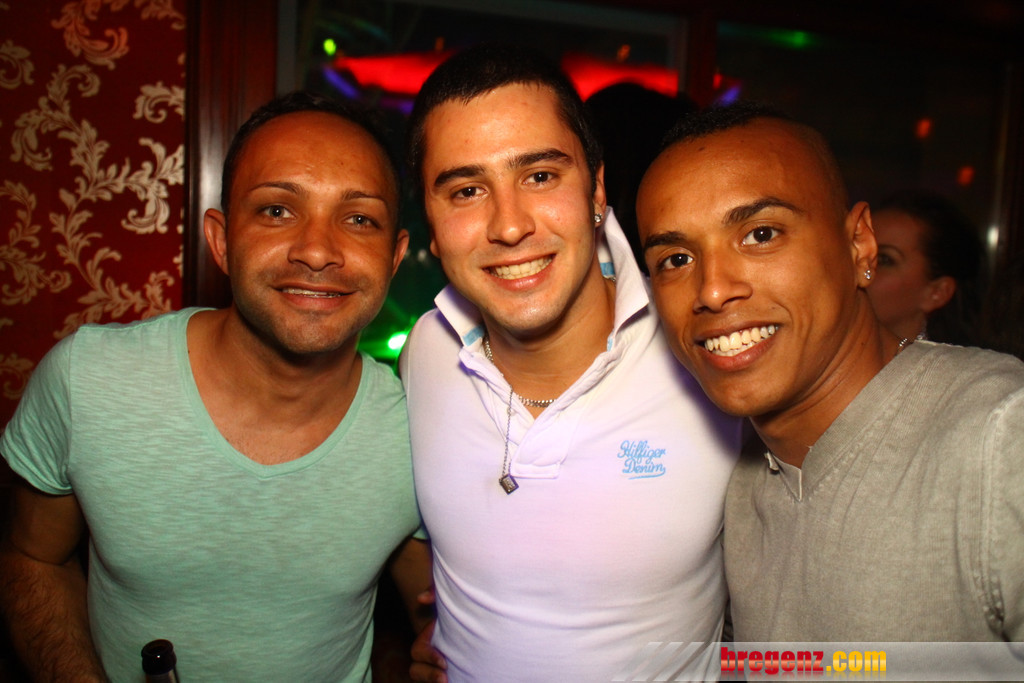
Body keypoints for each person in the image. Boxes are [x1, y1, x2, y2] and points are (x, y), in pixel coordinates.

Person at [0, 91, 431, 681]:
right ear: (222, 241)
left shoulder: (423, 430)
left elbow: (440, 619)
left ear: (394, 256)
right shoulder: (88, 381)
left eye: (359, 219)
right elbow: (32, 558)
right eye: (277, 210)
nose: (316, 251)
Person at [399, 44, 741, 682]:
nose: (509, 226)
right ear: (432, 227)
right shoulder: (427, 350)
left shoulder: (705, 348)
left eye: (539, 176)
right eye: (467, 191)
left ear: (597, 188)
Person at [636, 102, 1024, 643]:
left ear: (859, 244)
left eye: (761, 234)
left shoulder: (999, 438)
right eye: (675, 259)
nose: (714, 289)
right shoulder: (735, 480)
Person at [866, 188, 983, 345]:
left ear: (937, 292)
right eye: (856, 251)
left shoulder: (953, 361)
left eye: (884, 260)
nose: (859, 267)